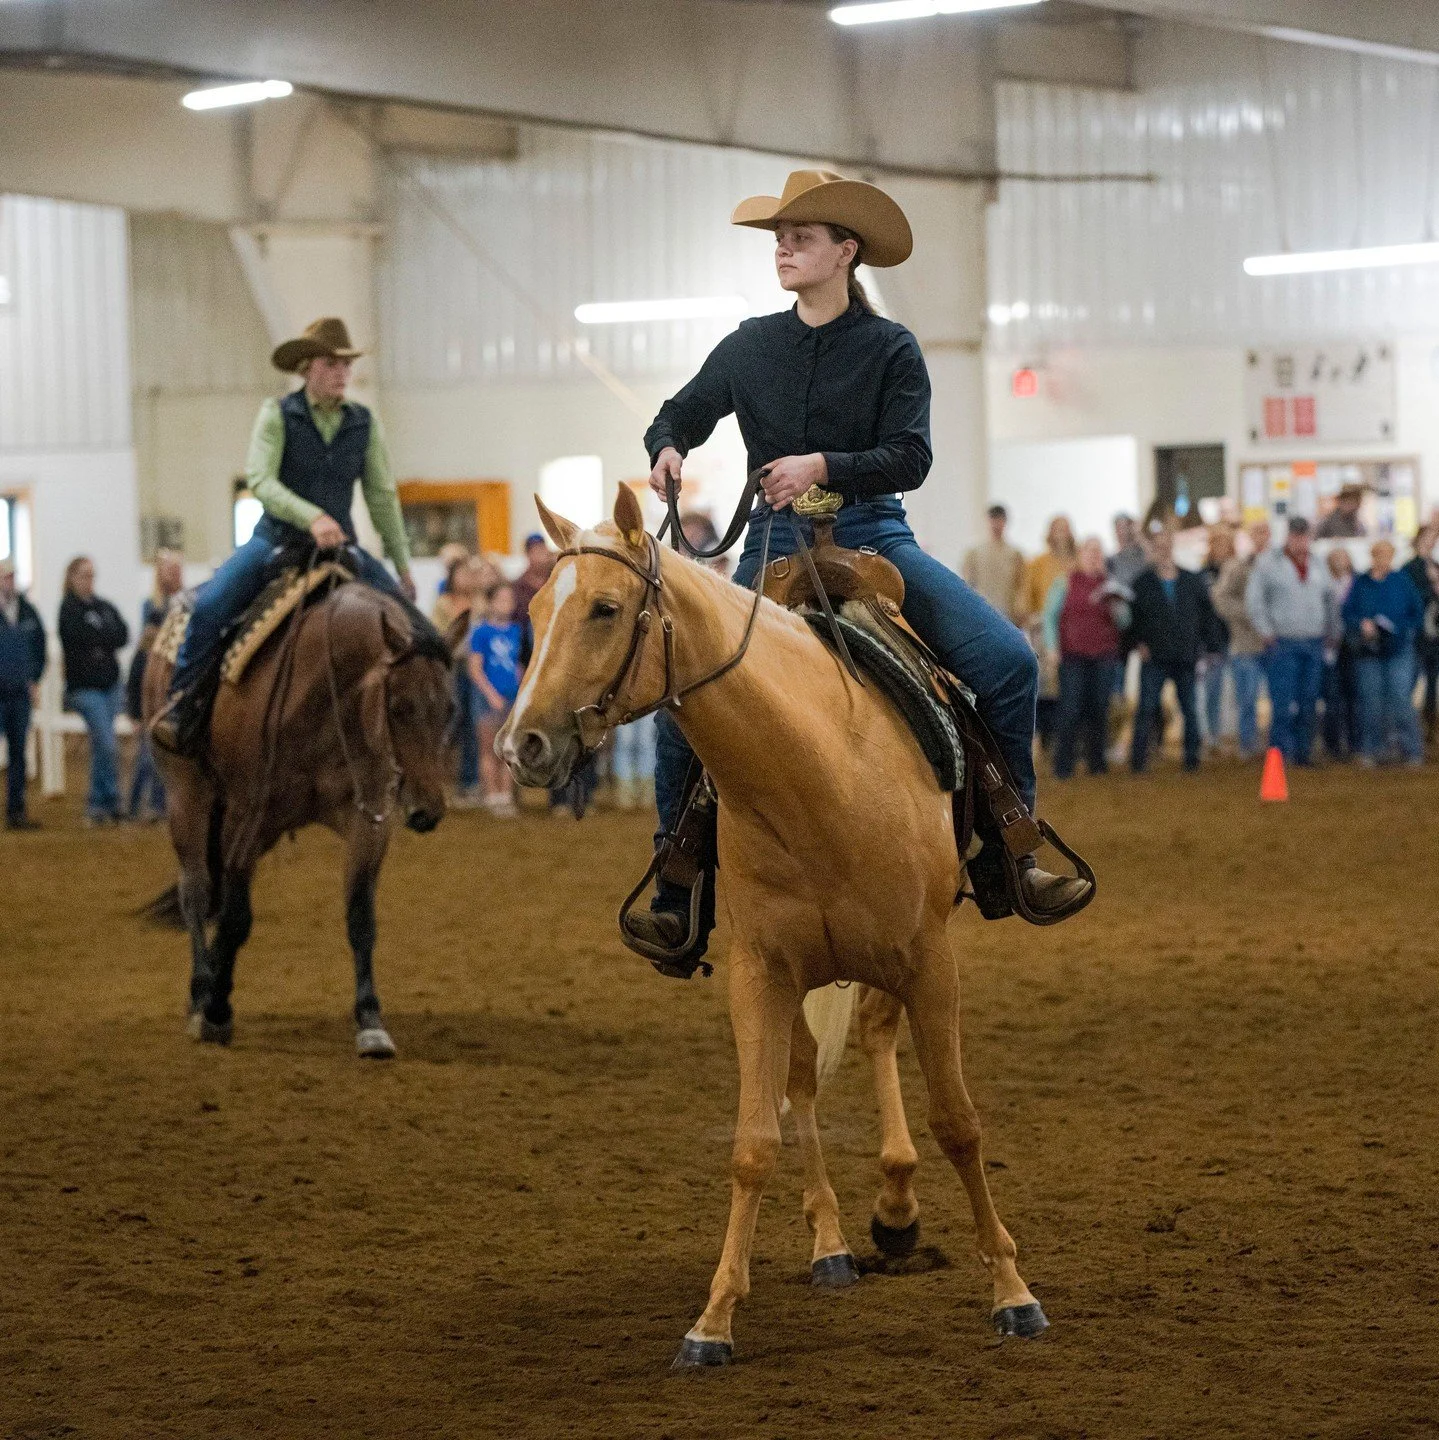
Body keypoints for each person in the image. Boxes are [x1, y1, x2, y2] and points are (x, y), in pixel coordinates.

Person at [625, 168, 1088, 960]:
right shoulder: (747, 345)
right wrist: (666, 446)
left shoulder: (890, 348)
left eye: (799, 238)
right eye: (779, 239)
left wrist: (823, 466)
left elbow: (910, 457)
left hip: (874, 536)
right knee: (687, 694)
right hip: (772, 543)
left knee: (1007, 662)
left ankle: (1013, 846)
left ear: (845, 252)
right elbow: (681, 412)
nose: (782, 249)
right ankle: (678, 884)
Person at [152, 317, 417, 754]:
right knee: (211, 608)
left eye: (346, 365)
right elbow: (261, 479)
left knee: (412, 628)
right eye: (331, 364)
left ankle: (407, 733)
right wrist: (312, 517)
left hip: (340, 547)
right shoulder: (277, 414)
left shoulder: (363, 423)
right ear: (307, 368)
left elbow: (381, 496)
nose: (342, 373)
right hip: (275, 541)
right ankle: (184, 707)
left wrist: (402, 566)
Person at [1126, 528, 1221, 773]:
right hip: (1154, 655)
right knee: (1146, 708)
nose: (1162, 550)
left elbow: (1206, 616)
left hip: (1185, 655)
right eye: (1158, 546)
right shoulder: (1142, 583)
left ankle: (1192, 760)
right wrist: (1138, 643)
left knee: (1189, 709)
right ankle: (1138, 761)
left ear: (1171, 547)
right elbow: (1133, 620)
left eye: (1166, 545)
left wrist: (1208, 646)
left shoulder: (1192, 580)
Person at [1245, 517, 1332, 766]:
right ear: (1288, 536)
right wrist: (1265, 631)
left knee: (1309, 700)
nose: (1300, 541)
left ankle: (1303, 752)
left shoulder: (1317, 563)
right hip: (1283, 642)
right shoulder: (1268, 563)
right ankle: (1279, 754)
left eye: (1304, 536)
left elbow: (1329, 599)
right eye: (1296, 535)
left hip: (1314, 640)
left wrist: (1329, 630)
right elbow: (1254, 600)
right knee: (1282, 702)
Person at [1044, 537, 1126, 780]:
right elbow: (1050, 617)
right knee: (1070, 709)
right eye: (1090, 551)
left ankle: (1097, 763)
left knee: (1099, 709)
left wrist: (1116, 606)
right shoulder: (1064, 582)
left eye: (1098, 552)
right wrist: (1052, 648)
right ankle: (1064, 765)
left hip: (1104, 656)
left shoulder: (1110, 585)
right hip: (1072, 656)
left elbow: (1124, 621)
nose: (1094, 556)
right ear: (1080, 554)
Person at [58, 556, 130, 825]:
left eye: (92, 575)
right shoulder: (68, 609)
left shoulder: (104, 607)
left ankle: (104, 803)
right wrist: (101, 639)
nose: (89, 580)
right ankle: (104, 800)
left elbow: (122, 634)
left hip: (110, 686)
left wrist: (98, 640)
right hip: (85, 689)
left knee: (104, 744)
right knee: (106, 743)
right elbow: (78, 638)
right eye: (84, 575)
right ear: (72, 578)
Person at [1342, 539, 1425, 767]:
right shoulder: (1361, 583)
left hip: (1398, 649)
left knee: (1400, 698)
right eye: (1379, 555)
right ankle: (1372, 749)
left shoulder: (1402, 581)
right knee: (1371, 701)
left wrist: (1399, 629)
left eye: (1388, 555)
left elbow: (1416, 613)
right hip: (1368, 651)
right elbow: (1347, 612)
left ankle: (1411, 749)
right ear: (1373, 556)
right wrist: (1362, 624)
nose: (1384, 560)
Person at [125, 549, 183, 821]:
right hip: (157, 689)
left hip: (170, 688)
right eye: (169, 569)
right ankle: (137, 805)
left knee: (157, 753)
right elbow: (142, 661)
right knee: (149, 754)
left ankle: (153, 806)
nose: (174, 574)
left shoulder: (175, 605)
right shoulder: (154, 608)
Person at [1212, 520, 1270, 760]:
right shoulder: (1236, 567)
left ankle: (1275, 745)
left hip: (1278, 645)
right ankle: (1248, 745)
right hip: (1246, 644)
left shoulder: (1279, 566)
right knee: (1247, 700)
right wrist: (1252, 614)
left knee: (1281, 701)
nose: (1261, 538)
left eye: (1265, 532)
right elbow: (1220, 599)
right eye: (1257, 532)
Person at [1019, 515, 1077, 750]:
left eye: (1065, 529)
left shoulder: (1076, 562)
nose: (1061, 534)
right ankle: (1046, 737)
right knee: (1046, 685)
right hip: (1044, 631)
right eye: (1057, 529)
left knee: (1070, 685)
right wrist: (1031, 620)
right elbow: (1025, 598)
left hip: (1073, 631)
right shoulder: (1038, 563)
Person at [468, 580, 525, 817]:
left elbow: (518, 665)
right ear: (490, 603)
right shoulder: (481, 632)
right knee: (489, 749)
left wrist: (522, 692)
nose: (506, 605)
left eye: (509, 600)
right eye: (501, 600)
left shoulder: (516, 631)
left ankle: (505, 795)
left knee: (508, 751)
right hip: (488, 698)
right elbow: (475, 669)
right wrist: (491, 694)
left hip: (511, 696)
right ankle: (492, 795)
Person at [0, 557, 46, 830]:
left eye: (11, 577)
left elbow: (39, 648)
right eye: (5, 577)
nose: (9, 582)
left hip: (19, 694)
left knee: (18, 753)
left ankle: (16, 810)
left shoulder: (28, 612)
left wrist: (34, 679)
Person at [433, 554, 483, 806]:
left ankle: (469, 782)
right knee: (449, 724)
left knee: (473, 726)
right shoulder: (443, 604)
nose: (466, 578)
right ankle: (435, 780)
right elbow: (439, 637)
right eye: (461, 573)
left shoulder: (480, 602)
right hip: (453, 669)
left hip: (476, 670)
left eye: (468, 573)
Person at [1321, 547, 1361, 761]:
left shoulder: (1358, 583)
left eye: (1342, 557)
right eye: (1335, 558)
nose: (1339, 561)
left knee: (1354, 697)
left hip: (1353, 648)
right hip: (1329, 648)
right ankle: (1332, 745)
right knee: (1332, 698)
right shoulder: (1323, 584)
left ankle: (1355, 743)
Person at [1198, 526, 1235, 752]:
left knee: (1237, 692)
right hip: (1213, 641)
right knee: (1213, 690)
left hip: (1237, 638)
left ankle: (1232, 735)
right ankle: (1212, 735)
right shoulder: (1203, 575)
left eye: (1225, 543)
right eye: (1217, 543)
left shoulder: (1238, 570)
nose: (1221, 548)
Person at [1401, 522, 1439, 743]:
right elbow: (1410, 600)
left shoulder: (1434, 566)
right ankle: (1407, 729)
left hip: (1433, 636)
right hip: (1416, 636)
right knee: (1409, 682)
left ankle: (1429, 727)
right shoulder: (1409, 568)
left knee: (1432, 683)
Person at [963, 503, 1025, 622]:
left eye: (999, 520)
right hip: (982, 612)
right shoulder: (974, 553)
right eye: (993, 520)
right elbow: (968, 584)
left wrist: (1019, 609)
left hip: (1007, 615)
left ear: (1005, 522)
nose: (996, 524)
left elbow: (1021, 586)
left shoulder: (1015, 554)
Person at [511, 533, 555, 630]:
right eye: (536, 551)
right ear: (528, 555)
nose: (541, 555)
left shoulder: (556, 579)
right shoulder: (518, 586)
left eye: (542, 549)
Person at [1106, 513, 1149, 592]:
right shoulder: (1111, 561)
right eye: (1119, 528)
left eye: (1125, 527)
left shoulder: (1144, 554)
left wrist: (1140, 536)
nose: (1122, 532)